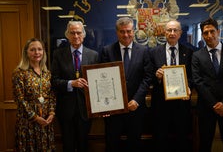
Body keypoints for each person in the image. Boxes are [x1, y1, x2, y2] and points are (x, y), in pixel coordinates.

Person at [100, 17, 152, 152]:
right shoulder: (107, 51)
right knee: (112, 144)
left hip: (136, 107)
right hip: (113, 110)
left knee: (134, 144)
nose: (126, 35)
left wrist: (136, 99)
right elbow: (102, 79)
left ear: (133, 31)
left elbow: (147, 78)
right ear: (117, 33)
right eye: (122, 32)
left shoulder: (144, 51)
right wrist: (106, 106)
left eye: (129, 31)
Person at [191, 18, 223, 152]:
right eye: (205, 33)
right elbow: (198, 82)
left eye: (212, 31)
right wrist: (215, 105)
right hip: (207, 108)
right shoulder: (197, 56)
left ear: (218, 32)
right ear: (202, 35)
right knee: (205, 144)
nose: (209, 36)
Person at [51, 21, 99, 152]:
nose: (76, 36)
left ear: (83, 35)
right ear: (67, 35)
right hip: (66, 109)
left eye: (78, 32)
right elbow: (53, 81)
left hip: (86, 109)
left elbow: (98, 83)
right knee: (68, 145)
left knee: (84, 144)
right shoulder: (58, 54)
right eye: (72, 33)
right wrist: (71, 83)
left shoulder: (94, 55)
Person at [150, 20, 193, 152]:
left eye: (175, 30)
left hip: (182, 104)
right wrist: (156, 76)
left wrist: (188, 87)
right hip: (161, 104)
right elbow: (147, 76)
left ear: (180, 33)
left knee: (182, 139)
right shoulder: (154, 52)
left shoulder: (189, 52)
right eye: (169, 30)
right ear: (165, 32)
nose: (172, 33)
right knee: (160, 139)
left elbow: (193, 76)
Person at [12, 38, 56, 151]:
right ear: (26, 52)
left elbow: (51, 95)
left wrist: (51, 112)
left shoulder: (46, 73)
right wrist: (35, 117)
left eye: (39, 49)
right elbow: (19, 99)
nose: (37, 53)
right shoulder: (19, 73)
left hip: (46, 121)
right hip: (28, 122)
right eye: (32, 50)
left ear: (43, 52)